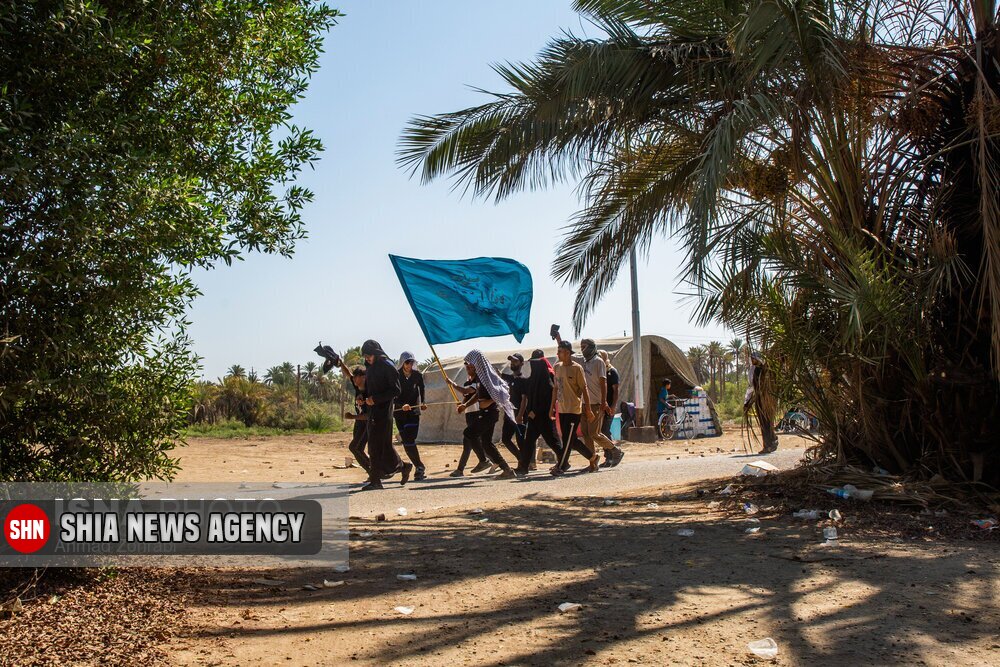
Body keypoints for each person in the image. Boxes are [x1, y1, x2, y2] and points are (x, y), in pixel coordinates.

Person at [551, 330, 625, 467]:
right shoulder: (582, 361)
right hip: (583, 404)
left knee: (594, 433)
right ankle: (592, 461)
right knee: (586, 434)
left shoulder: (599, 362)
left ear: (591, 347)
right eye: (581, 346)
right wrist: (558, 338)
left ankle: (615, 450)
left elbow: (604, 383)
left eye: (584, 346)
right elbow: (567, 354)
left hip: (595, 403)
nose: (582, 349)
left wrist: (604, 402)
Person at [516, 349, 581, 475]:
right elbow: (529, 397)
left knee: (553, 442)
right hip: (533, 417)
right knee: (528, 442)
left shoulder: (548, 381)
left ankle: (564, 462)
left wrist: (536, 411)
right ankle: (523, 466)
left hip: (544, 417)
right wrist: (530, 411)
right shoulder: (532, 380)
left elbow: (549, 400)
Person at [455, 349, 517, 479]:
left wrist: (489, 402)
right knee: (486, 443)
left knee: (469, 433)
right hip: (486, 413)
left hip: (490, 413)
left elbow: (501, 390)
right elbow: (477, 395)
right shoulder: (479, 377)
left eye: (470, 362)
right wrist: (465, 405)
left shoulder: (488, 375)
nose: (469, 365)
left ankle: (483, 460)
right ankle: (507, 470)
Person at [360, 339, 411, 490]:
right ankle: (404, 466)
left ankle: (375, 480)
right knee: (383, 446)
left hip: (384, 412)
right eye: (365, 356)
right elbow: (370, 388)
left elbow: (396, 390)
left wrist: (374, 399)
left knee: (375, 446)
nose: (367, 358)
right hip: (373, 411)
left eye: (368, 355)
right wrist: (363, 398)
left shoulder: (387, 366)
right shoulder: (370, 367)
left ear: (375, 353)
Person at [551, 340, 600, 475]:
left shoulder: (577, 368)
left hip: (574, 409)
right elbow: (556, 389)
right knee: (570, 440)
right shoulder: (557, 367)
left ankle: (561, 466)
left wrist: (588, 409)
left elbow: (584, 389)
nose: (558, 354)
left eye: (560, 351)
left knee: (567, 440)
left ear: (567, 353)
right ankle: (593, 457)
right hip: (562, 409)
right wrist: (552, 408)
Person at [443, 371, 492, 477]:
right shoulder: (467, 383)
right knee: (472, 443)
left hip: (475, 413)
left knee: (470, 441)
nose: (469, 373)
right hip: (469, 414)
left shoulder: (476, 384)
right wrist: (461, 404)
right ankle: (495, 463)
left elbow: (466, 391)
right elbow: (466, 396)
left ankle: (462, 469)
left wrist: (452, 383)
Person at [395, 351, 428, 481]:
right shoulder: (395, 376)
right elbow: (392, 394)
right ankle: (419, 466)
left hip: (413, 412)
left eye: (411, 362)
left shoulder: (417, 375)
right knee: (406, 442)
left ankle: (419, 467)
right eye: (407, 362)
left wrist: (423, 402)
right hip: (398, 412)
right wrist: (401, 405)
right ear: (402, 363)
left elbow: (422, 389)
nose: (409, 365)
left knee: (409, 439)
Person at [745, 350, 779, 453]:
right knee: (763, 423)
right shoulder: (753, 370)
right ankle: (768, 444)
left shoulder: (767, 369)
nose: (752, 360)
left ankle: (771, 442)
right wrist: (746, 401)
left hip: (769, 400)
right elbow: (751, 387)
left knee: (768, 422)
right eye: (752, 359)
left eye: (754, 358)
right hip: (759, 400)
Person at [499, 353, 529, 463]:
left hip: (518, 415)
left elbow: (524, 399)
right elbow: (497, 375)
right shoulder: (508, 378)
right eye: (511, 361)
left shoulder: (523, 380)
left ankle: (524, 463)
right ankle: (521, 459)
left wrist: (520, 416)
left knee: (520, 440)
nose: (513, 363)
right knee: (505, 439)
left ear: (522, 363)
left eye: (515, 361)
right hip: (509, 414)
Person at [341, 365, 371, 475]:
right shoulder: (357, 386)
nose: (353, 379)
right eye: (354, 378)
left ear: (363, 377)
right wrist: (340, 363)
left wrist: (352, 417)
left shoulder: (369, 392)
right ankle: (372, 471)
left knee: (355, 448)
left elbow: (368, 415)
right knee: (357, 449)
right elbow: (348, 373)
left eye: (356, 377)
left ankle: (373, 472)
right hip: (359, 423)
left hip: (367, 423)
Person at [598, 349, 620, 465]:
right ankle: (609, 456)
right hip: (600, 406)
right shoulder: (599, 371)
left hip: (609, 406)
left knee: (604, 431)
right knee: (601, 432)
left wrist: (613, 406)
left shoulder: (612, 371)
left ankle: (612, 455)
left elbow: (616, 391)